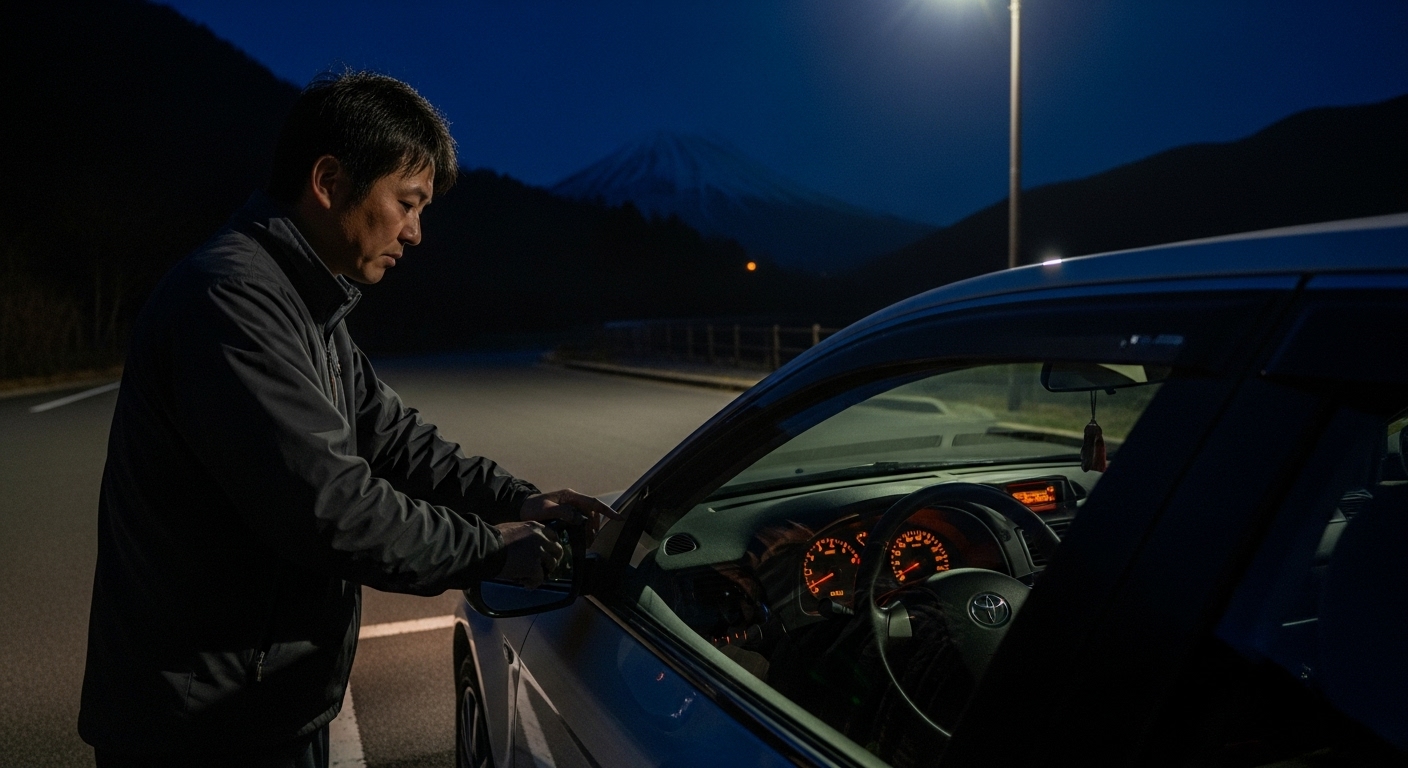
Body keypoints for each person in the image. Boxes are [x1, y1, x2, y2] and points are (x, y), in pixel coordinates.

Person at [78, 70, 615, 767]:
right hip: (203, 725)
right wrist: (489, 548)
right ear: (329, 181)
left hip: (257, 703)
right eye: (408, 203)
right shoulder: (233, 299)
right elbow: (330, 505)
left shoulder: (307, 306)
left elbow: (395, 439)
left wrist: (516, 498)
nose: (416, 233)